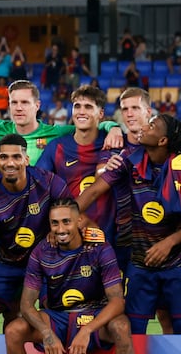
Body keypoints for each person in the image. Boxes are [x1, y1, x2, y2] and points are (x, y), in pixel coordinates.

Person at [4, 198, 136, 354]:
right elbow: (26, 305)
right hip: (57, 318)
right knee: (13, 330)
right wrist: (46, 333)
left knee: (121, 326)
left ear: (79, 221)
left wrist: (87, 330)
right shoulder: (41, 252)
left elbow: (117, 302)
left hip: (94, 316)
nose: (61, 229)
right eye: (55, 223)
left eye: (66, 222)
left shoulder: (100, 248)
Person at [78, 114, 181, 335]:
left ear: (163, 141)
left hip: (178, 263)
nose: (144, 126)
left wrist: (168, 243)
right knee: (134, 329)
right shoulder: (129, 158)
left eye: (152, 125)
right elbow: (95, 190)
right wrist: (67, 216)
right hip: (139, 262)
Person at [0, 133, 69, 344]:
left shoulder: (50, 183)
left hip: (42, 262)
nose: (10, 163)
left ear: (26, 159)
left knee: (55, 315)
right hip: (3, 262)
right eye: (4, 157)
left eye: (16, 157)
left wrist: (55, 229)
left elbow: (70, 220)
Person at [39, 85, 120, 258]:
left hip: (106, 238)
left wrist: (115, 128)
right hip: (67, 239)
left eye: (88, 107)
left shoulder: (113, 144)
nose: (81, 111)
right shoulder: (57, 147)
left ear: (101, 113)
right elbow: (38, 190)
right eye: (77, 106)